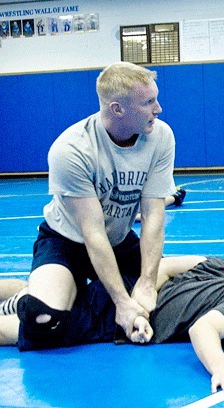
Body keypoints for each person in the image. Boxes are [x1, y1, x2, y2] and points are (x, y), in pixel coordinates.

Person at [17, 62, 177, 351]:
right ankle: (24, 296)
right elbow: (93, 233)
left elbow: (153, 214)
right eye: (149, 102)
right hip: (67, 240)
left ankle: (61, 292)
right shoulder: (71, 150)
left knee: (166, 297)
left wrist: (146, 281)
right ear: (117, 109)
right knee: (45, 321)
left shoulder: (160, 137)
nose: (159, 109)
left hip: (117, 238)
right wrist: (122, 303)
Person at [0, 255, 224, 396]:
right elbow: (203, 329)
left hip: (122, 287)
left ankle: (25, 294)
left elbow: (165, 266)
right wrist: (221, 368)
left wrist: (143, 298)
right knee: (19, 330)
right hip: (111, 317)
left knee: (39, 295)